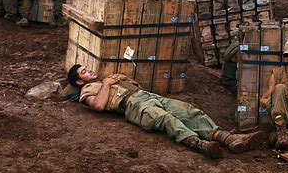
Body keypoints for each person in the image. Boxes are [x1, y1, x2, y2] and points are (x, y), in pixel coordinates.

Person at [66, 64, 265, 159]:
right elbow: (99, 106)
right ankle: (199, 144)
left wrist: (124, 78)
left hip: (149, 96)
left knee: (187, 111)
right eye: (84, 72)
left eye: (87, 68)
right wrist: (108, 84)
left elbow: (136, 85)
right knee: (165, 118)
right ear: (78, 81)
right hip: (134, 106)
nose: (89, 70)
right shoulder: (88, 90)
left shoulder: (104, 81)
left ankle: (228, 138)